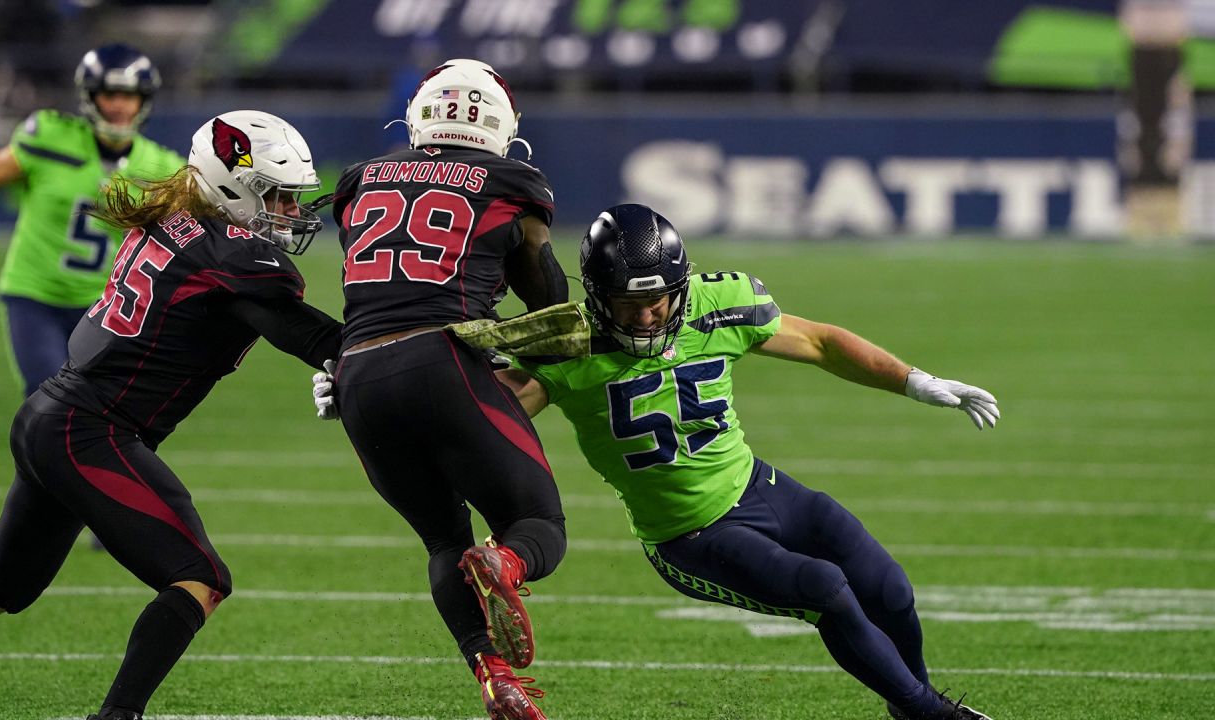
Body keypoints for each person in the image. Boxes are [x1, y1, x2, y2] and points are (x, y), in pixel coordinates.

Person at [497, 204, 999, 720]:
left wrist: (912, 380)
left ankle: (913, 703)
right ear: (598, 296)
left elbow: (821, 343)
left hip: (759, 486)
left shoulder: (718, 306)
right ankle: (933, 715)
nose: (645, 317)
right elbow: (490, 419)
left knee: (889, 587)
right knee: (825, 589)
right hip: (687, 534)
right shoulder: (565, 349)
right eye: (628, 305)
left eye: (657, 301)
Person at [0, 110, 342, 720]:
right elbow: (305, 335)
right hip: (90, 431)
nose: (288, 212)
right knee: (199, 577)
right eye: (276, 197)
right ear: (230, 185)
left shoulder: (175, 221)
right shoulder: (231, 255)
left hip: (53, 415)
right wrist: (383, 353)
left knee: (2, 590)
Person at [327, 58, 569, 720]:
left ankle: (493, 674)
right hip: (445, 360)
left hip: (357, 373)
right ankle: (506, 565)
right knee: (536, 525)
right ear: (501, 125)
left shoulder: (361, 178)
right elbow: (545, 295)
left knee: (443, 540)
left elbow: (377, 284)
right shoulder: (512, 180)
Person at [0, 43, 184, 398]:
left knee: (100, 408)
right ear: (89, 96)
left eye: (129, 95)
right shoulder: (51, 136)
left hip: (104, 305)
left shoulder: (163, 168)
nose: (119, 105)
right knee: (49, 397)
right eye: (109, 93)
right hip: (36, 295)